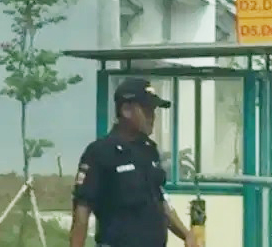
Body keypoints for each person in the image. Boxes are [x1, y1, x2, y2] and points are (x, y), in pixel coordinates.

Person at [69, 77, 197, 247]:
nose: (152, 117)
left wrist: (186, 235)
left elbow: (160, 201)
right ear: (126, 110)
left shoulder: (149, 151)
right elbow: (82, 212)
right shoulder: (100, 152)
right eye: (147, 111)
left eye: (154, 111)